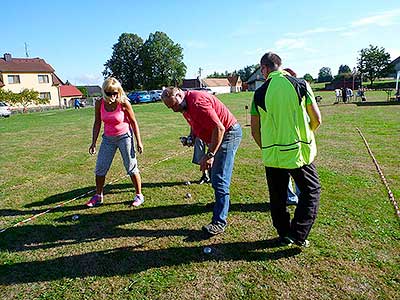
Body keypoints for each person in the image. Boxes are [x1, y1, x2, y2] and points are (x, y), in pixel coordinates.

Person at [250, 52, 322, 247]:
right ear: (279, 65)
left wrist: (267, 147)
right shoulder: (301, 84)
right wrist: (307, 134)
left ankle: (284, 233)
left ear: (264, 68)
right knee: (311, 191)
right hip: (299, 152)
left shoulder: (259, 93)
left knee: (278, 198)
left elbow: (255, 131)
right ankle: (298, 233)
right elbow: (317, 119)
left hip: (273, 155)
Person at [161, 87, 242, 235]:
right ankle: (221, 204)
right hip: (216, 135)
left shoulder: (197, 102)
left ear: (179, 94)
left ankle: (219, 222)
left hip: (228, 134)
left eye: (174, 105)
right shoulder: (184, 105)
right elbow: (194, 122)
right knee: (213, 174)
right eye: (170, 107)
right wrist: (192, 137)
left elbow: (219, 128)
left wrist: (210, 154)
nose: (174, 109)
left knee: (219, 178)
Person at [87, 77, 144, 207]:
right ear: (104, 92)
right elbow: (97, 123)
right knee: (100, 168)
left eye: (115, 92)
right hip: (108, 139)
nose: (112, 96)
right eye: (109, 93)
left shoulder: (123, 103)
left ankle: (139, 195)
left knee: (131, 167)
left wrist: (138, 141)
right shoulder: (99, 103)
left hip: (125, 137)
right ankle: (98, 195)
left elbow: (133, 122)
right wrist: (93, 142)